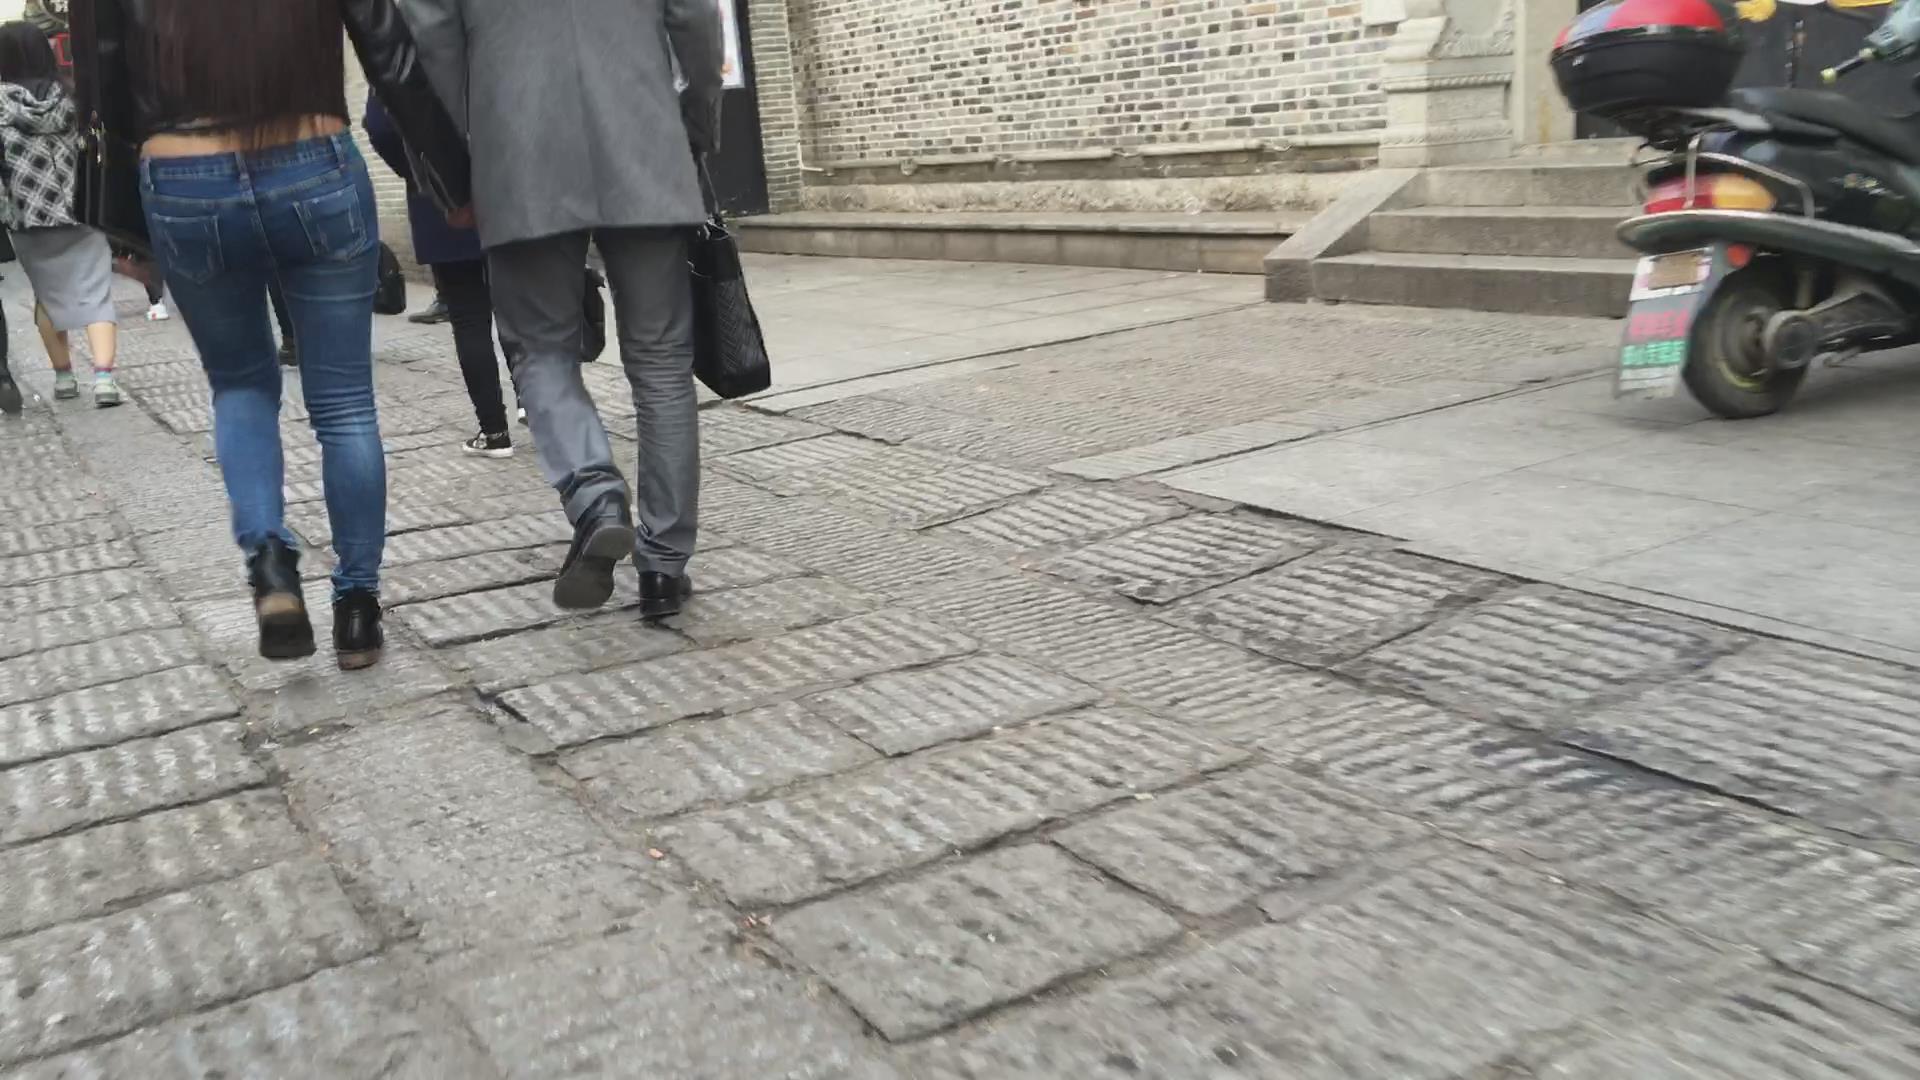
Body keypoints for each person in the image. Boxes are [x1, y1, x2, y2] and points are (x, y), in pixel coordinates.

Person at [73, 0, 470, 669]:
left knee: (239, 387)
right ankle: (357, 609)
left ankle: (269, 559)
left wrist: (123, 221)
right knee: (345, 405)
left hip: (183, 176)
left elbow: (103, 72)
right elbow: (391, 50)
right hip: (312, 162)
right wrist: (454, 181)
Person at [407, 0, 721, 617]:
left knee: (539, 349)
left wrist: (454, 165)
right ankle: (663, 565)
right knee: (661, 358)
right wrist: (698, 121)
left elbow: (431, 45)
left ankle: (594, 493)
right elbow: (697, 20)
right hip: (645, 139)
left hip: (519, 151)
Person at [362, 90, 512, 458]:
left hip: (440, 194)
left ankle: (494, 432)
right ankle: (536, 407)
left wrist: (420, 170)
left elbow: (379, 126)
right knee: (518, 306)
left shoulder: (401, 54)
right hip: (504, 182)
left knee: (468, 316)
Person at [0, 22, 121, 407]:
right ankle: (104, 380)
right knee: (96, 293)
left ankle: (65, 378)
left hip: (28, 218)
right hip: (82, 210)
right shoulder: (74, 99)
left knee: (46, 296)